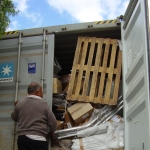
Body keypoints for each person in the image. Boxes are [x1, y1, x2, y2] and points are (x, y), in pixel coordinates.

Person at [11, 82, 57, 150]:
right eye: (42, 91)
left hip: (22, 139)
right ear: (38, 92)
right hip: (38, 140)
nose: (42, 94)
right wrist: (52, 131)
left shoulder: (20, 103)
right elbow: (52, 122)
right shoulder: (43, 103)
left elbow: (14, 117)